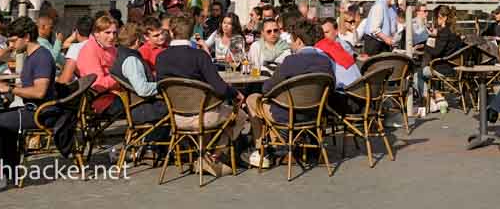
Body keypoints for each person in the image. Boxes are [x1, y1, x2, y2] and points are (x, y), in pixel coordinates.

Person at [155, 14, 244, 176]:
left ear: (172, 33)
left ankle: (207, 157)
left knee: (212, 106)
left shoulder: (161, 58)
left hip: (175, 117)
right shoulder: (199, 56)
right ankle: (213, 157)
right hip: (203, 115)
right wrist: (236, 93)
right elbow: (220, 88)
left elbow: (161, 88)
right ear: (190, 33)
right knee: (240, 115)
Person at [0, 17, 55, 191]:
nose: (10, 44)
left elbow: (39, 91)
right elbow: (29, 86)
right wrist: (4, 86)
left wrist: (8, 89)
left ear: (26, 37)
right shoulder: (32, 55)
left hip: (40, 112)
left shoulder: (41, 57)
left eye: (13, 40)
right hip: (33, 108)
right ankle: (4, 171)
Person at [245, 19, 331, 169]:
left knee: (252, 99)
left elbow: (266, 89)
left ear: (298, 41)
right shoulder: (326, 61)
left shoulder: (291, 61)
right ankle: (281, 146)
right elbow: (331, 87)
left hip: (288, 115)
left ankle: (262, 149)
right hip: (315, 114)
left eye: (291, 40)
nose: (290, 43)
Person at [76, 14, 121, 115]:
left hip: (116, 94)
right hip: (103, 101)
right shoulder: (90, 51)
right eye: (107, 33)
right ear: (96, 33)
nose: (112, 37)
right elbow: (98, 84)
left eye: (114, 33)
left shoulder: (111, 48)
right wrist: (122, 78)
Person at [315, 17, 361, 88]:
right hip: (357, 86)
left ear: (336, 31)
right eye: (321, 33)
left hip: (349, 89)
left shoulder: (343, 46)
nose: (323, 36)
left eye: (327, 32)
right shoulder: (326, 46)